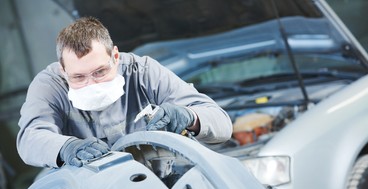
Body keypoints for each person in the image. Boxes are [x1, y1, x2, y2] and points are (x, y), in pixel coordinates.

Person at [16, 17, 232, 168]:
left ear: (115, 57)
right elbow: (29, 139)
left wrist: (189, 116)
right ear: (63, 70)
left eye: (100, 72)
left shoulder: (143, 71)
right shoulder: (49, 85)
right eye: (78, 77)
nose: (91, 84)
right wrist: (66, 147)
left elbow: (221, 122)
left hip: (160, 183)